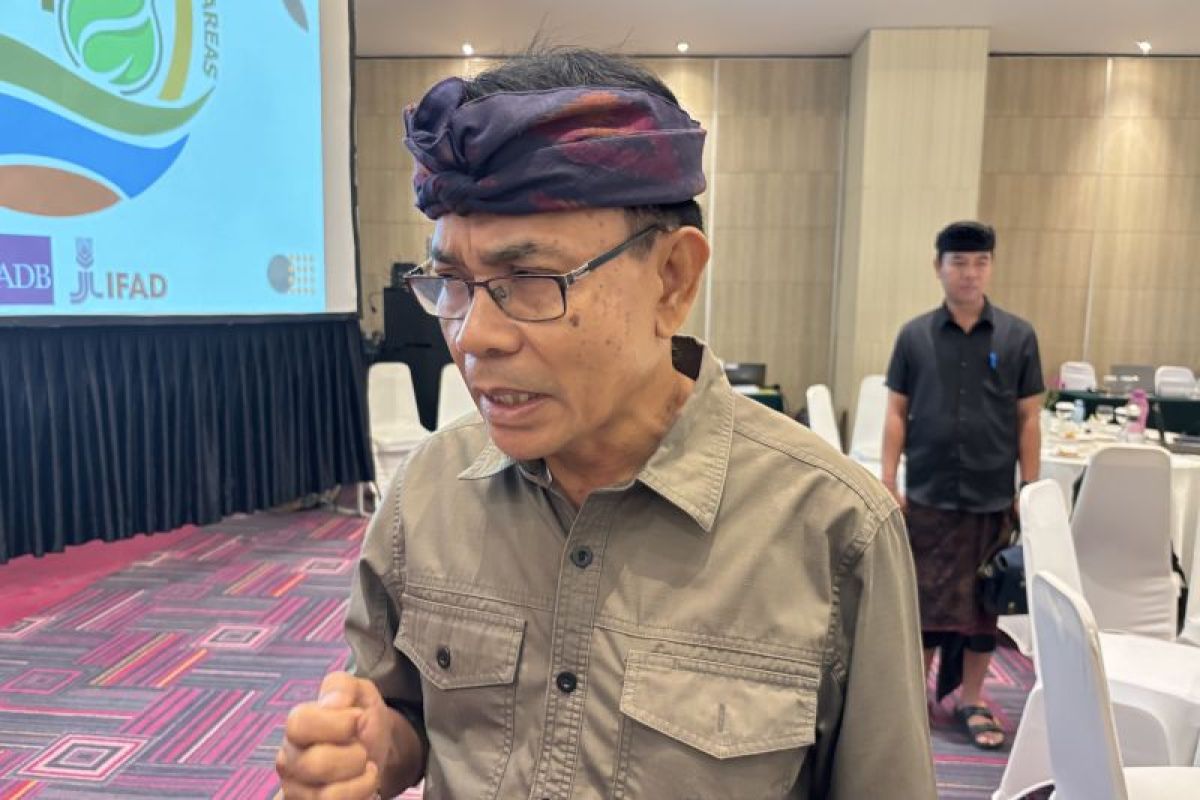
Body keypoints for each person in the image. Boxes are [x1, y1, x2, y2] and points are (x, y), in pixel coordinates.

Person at [275, 48, 936, 799]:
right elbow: (406, 709)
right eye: (452, 283)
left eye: (529, 280)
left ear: (673, 280)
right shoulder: (428, 491)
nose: (473, 336)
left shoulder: (833, 530)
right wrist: (372, 748)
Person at [881, 221, 1043, 751]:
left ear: (990, 267)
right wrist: (888, 478)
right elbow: (896, 412)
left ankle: (973, 698)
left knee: (982, 608)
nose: (970, 273)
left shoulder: (1018, 337)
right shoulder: (914, 336)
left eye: (980, 262)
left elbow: (1028, 419)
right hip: (928, 495)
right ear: (939, 267)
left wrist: (1030, 489)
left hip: (990, 498)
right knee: (924, 605)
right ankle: (913, 702)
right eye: (959, 262)